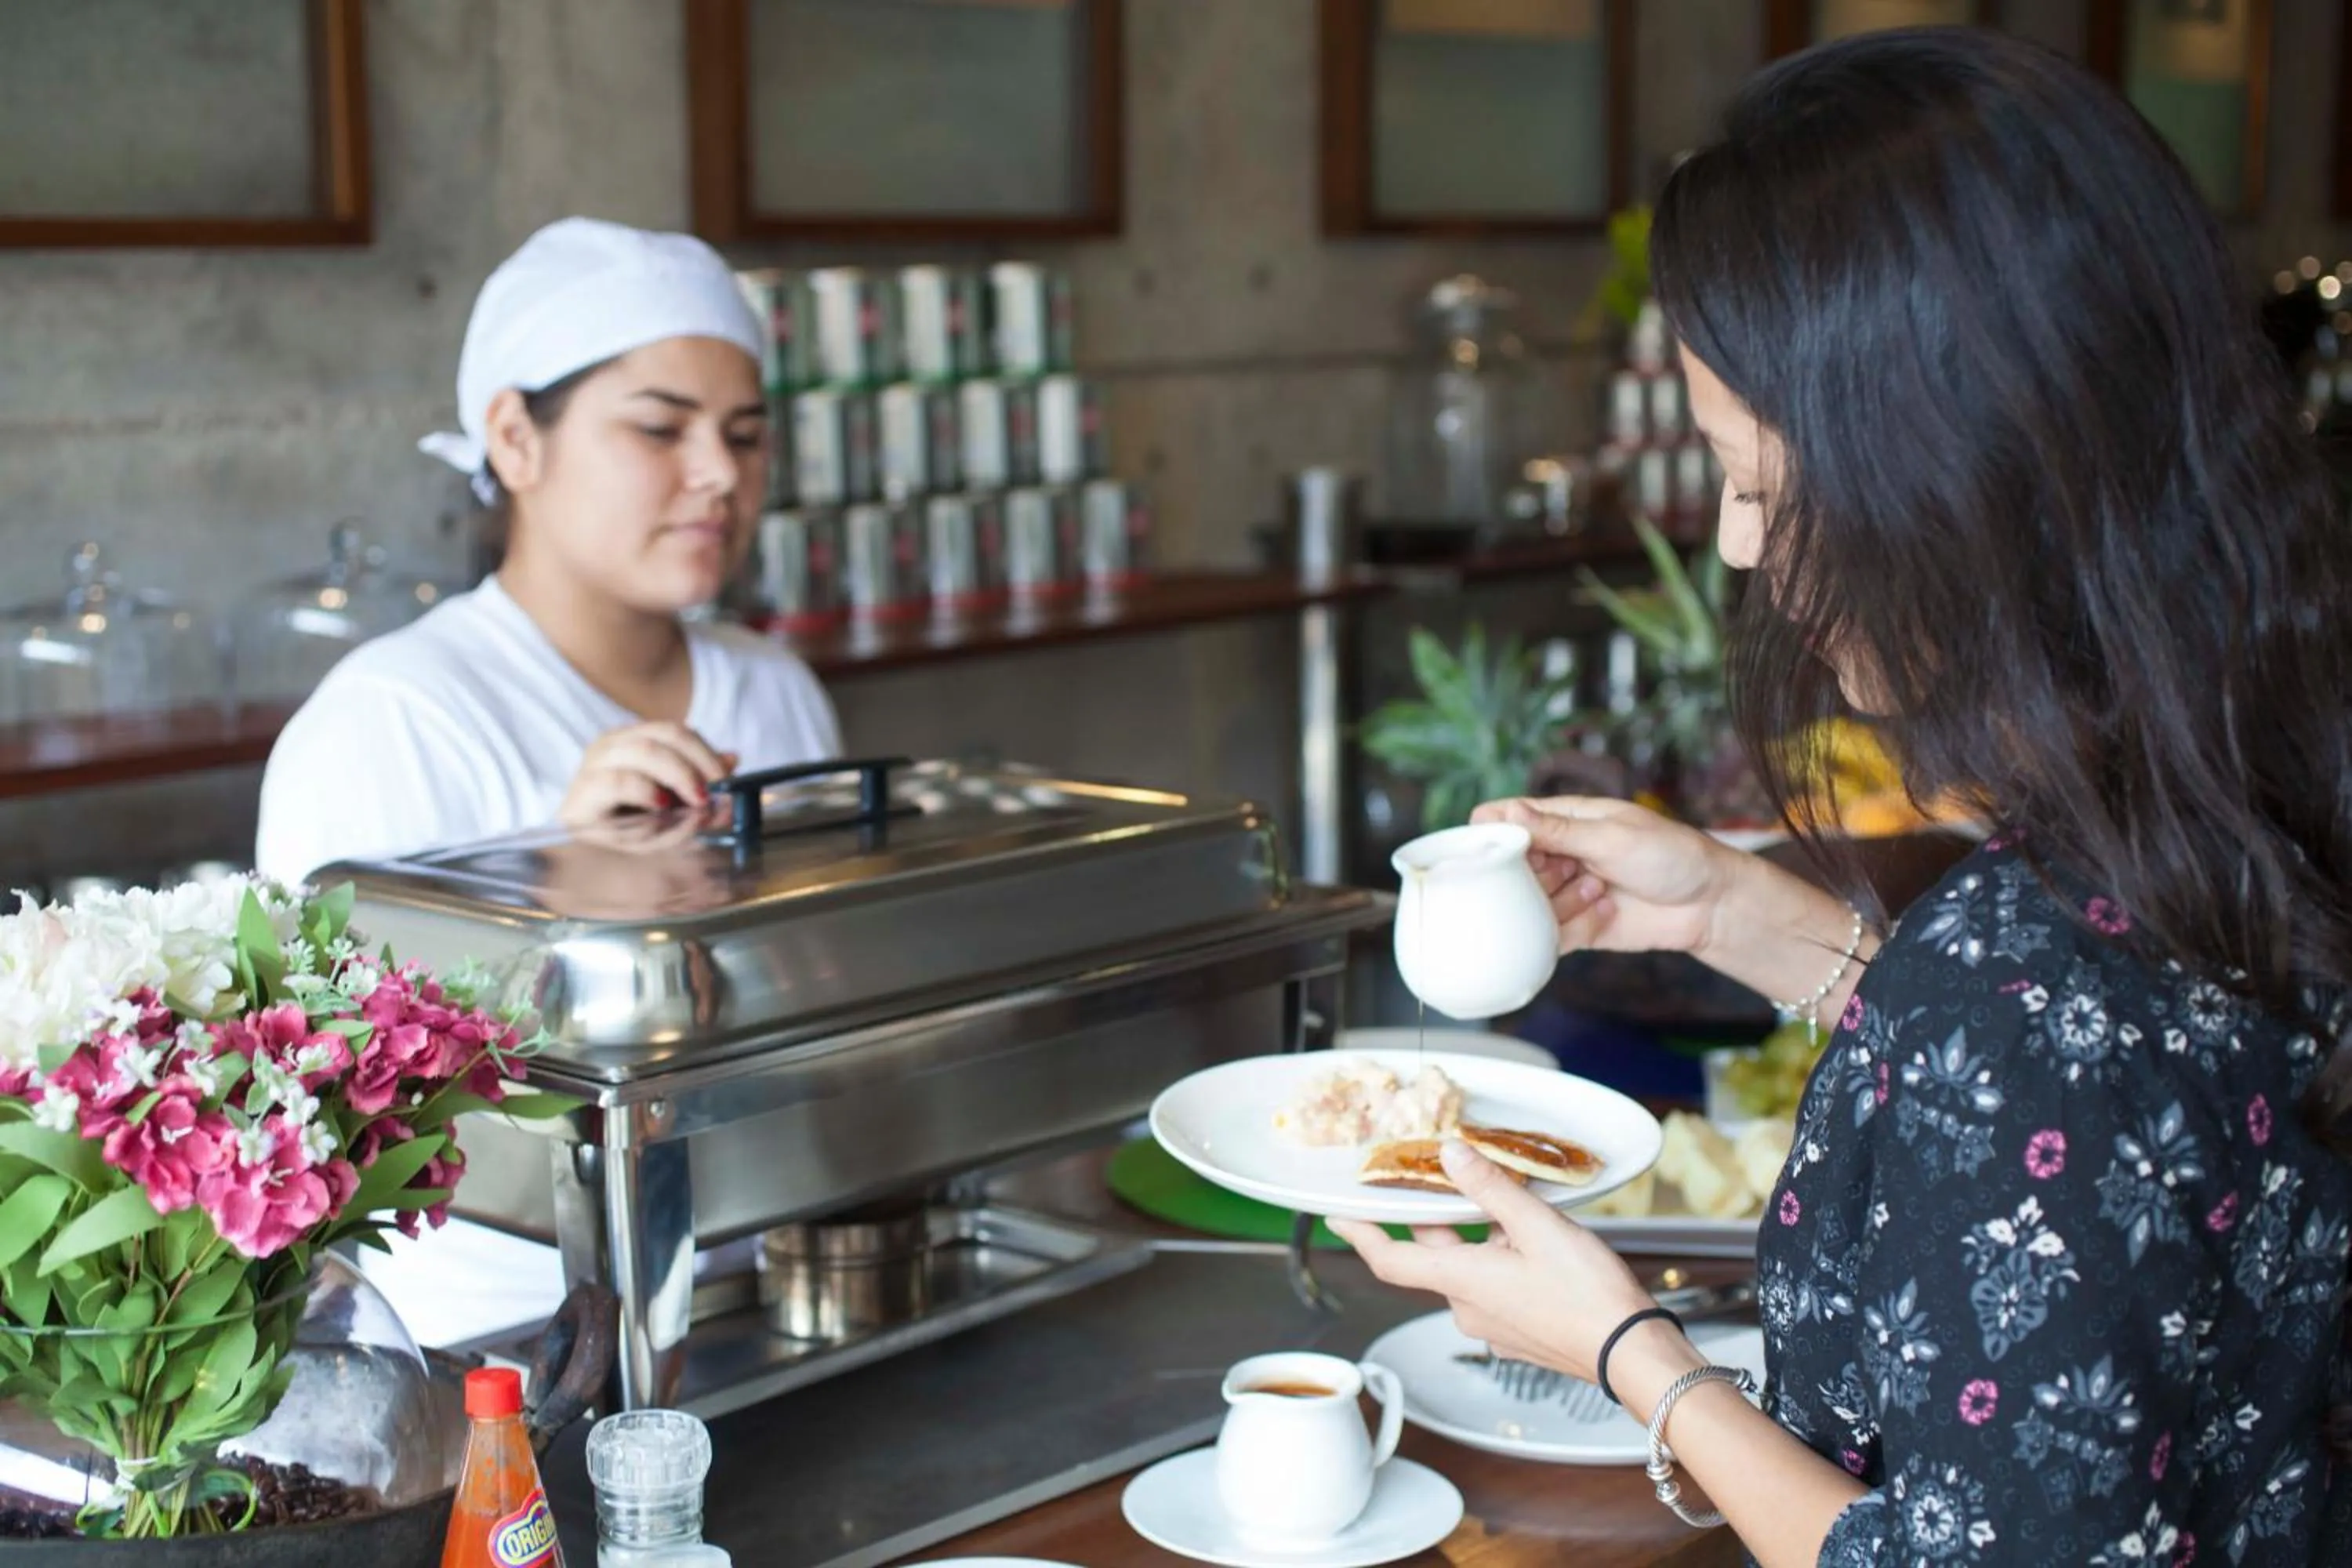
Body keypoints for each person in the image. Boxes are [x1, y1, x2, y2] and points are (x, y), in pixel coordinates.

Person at [1334, 29, 2352, 1566]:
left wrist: (1629, 1356)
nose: (1742, 551)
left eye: (1762, 485)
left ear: (1955, 478)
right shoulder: (2246, 758)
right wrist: (1742, 914)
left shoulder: (2031, 996)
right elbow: (2120, 1129)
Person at [255, 216, 839, 887]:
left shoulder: (775, 690)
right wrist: (563, 886)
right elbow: (337, 992)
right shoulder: (394, 726)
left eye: (743, 436)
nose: (722, 474)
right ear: (515, 440)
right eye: (660, 429)